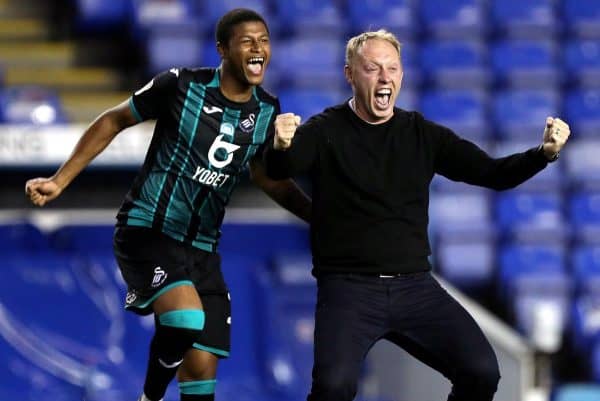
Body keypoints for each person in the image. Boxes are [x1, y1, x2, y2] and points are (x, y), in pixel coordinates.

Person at [264, 29, 570, 401]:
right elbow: (284, 167)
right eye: (372, 68)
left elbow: (491, 173)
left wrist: (544, 154)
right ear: (350, 74)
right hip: (349, 289)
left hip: (415, 288)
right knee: (333, 388)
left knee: (482, 372)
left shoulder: (421, 134)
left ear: (402, 76)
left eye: (392, 68)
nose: (384, 77)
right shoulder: (324, 130)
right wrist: (281, 145)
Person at [25, 8, 311, 401]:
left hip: (203, 250)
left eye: (264, 41)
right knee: (184, 318)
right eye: (247, 41)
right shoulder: (181, 85)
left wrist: (317, 216)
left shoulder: (267, 112)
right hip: (148, 229)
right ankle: (151, 397)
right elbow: (113, 120)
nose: (258, 48)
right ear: (223, 49)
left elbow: (268, 178)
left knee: (201, 371)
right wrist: (60, 180)